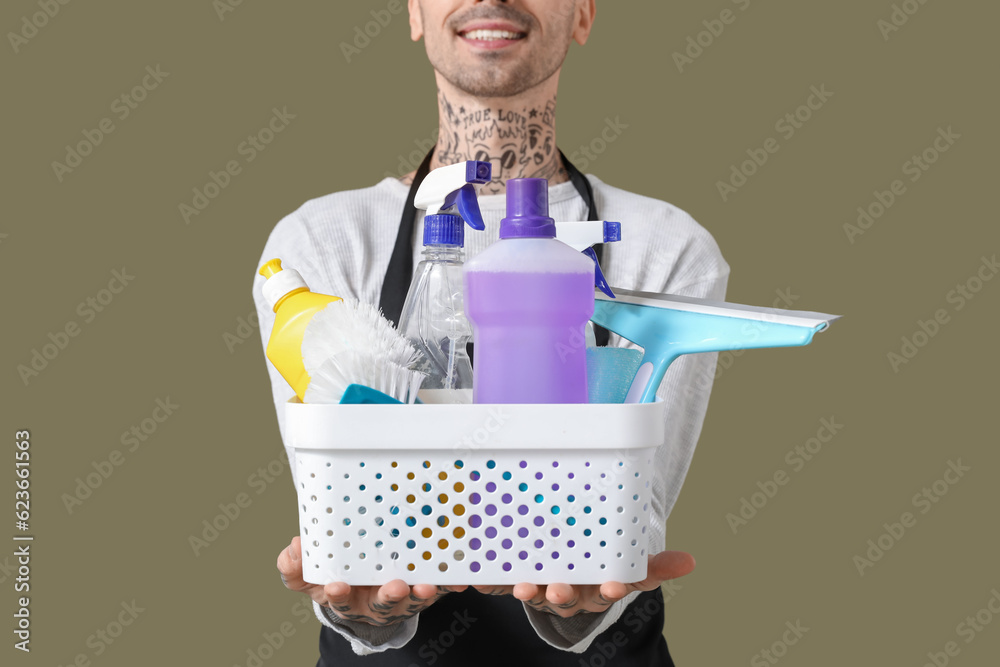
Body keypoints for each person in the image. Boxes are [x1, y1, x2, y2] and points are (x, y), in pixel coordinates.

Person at [254, 1, 730, 664]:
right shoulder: (323, 244)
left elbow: (632, 519)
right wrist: (362, 612)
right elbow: (335, 516)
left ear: (584, 14)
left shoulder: (665, 249)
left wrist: (581, 598)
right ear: (415, 12)